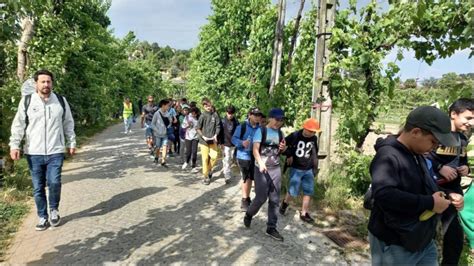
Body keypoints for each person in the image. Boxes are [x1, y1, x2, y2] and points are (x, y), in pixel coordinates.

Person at [368, 106, 463, 265]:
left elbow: (424, 186)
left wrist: (446, 195)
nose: (434, 147)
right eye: (433, 141)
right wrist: (430, 203)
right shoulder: (388, 156)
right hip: (396, 243)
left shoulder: (417, 154)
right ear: (416, 132)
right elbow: (384, 195)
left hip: (421, 240)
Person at [9, 69, 76, 230]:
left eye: (48, 81)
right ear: (36, 83)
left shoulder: (60, 101)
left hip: (56, 151)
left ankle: (53, 210)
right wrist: (14, 145)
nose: (46, 84)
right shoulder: (27, 101)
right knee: (38, 187)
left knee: (54, 182)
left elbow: (68, 123)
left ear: (52, 83)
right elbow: (18, 125)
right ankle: (42, 216)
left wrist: (71, 142)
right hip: (34, 152)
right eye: (43, 82)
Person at [426, 98, 474, 265]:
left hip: (454, 193)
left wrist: (465, 168)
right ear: (453, 114)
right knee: (428, 233)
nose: (471, 123)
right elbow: (424, 156)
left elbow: (463, 160)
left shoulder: (462, 139)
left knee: (454, 239)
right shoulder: (437, 135)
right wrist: (440, 167)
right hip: (433, 190)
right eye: (468, 118)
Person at [244, 108, 287, 241]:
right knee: (261, 197)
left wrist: (283, 149)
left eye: (281, 120)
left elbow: (281, 151)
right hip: (261, 169)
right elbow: (255, 150)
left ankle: (271, 227)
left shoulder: (280, 133)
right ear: (270, 118)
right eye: (276, 119)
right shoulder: (261, 131)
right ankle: (249, 214)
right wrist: (260, 163)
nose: (278, 123)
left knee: (274, 200)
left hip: (275, 168)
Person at [279, 118, 321, 223]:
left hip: (308, 169)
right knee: (293, 191)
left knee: (308, 191)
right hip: (296, 169)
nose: (312, 133)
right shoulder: (295, 136)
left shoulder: (314, 138)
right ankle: (284, 204)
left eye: (314, 132)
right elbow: (282, 145)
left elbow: (314, 153)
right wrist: (288, 154)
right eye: (311, 131)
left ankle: (304, 213)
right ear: (305, 128)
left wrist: (314, 168)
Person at [232, 107, 263, 211]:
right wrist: (241, 143)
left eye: (259, 115)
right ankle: (244, 200)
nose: (257, 117)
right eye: (255, 115)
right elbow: (233, 139)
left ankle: (248, 198)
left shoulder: (261, 128)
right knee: (247, 178)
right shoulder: (242, 126)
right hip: (243, 155)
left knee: (254, 177)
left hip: (256, 156)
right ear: (249, 115)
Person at [196, 98, 221, 185]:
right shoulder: (202, 116)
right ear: (203, 106)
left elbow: (218, 126)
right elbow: (198, 128)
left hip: (213, 140)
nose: (208, 107)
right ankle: (205, 176)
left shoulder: (215, 115)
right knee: (205, 158)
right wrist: (203, 136)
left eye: (209, 105)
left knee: (214, 157)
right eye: (206, 105)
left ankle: (209, 169)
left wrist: (216, 135)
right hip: (204, 141)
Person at [220, 105, 239, 183]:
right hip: (225, 144)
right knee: (227, 159)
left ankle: (225, 169)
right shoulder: (223, 121)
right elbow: (220, 133)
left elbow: (238, 133)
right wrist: (221, 143)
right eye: (229, 113)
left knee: (230, 159)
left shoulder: (236, 122)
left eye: (232, 113)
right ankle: (227, 176)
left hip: (233, 144)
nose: (230, 115)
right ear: (226, 112)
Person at [151, 99, 172, 167]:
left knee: (165, 146)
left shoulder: (168, 113)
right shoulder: (157, 113)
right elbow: (152, 124)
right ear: (163, 105)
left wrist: (168, 126)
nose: (168, 107)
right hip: (158, 134)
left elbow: (170, 122)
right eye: (167, 106)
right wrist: (157, 130)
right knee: (158, 147)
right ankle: (156, 157)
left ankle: (163, 160)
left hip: (165, 134)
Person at [181, 106, 200, 173]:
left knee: (194, 152)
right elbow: (183, 126)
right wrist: (187, 125)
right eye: (192, 113)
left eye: (195, 113)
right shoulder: (187, 117)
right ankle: (186, 162)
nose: (194, 115)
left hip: (196, 137)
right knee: (188, 152)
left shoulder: (199, 118)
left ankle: (193, 166)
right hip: (188, 137)